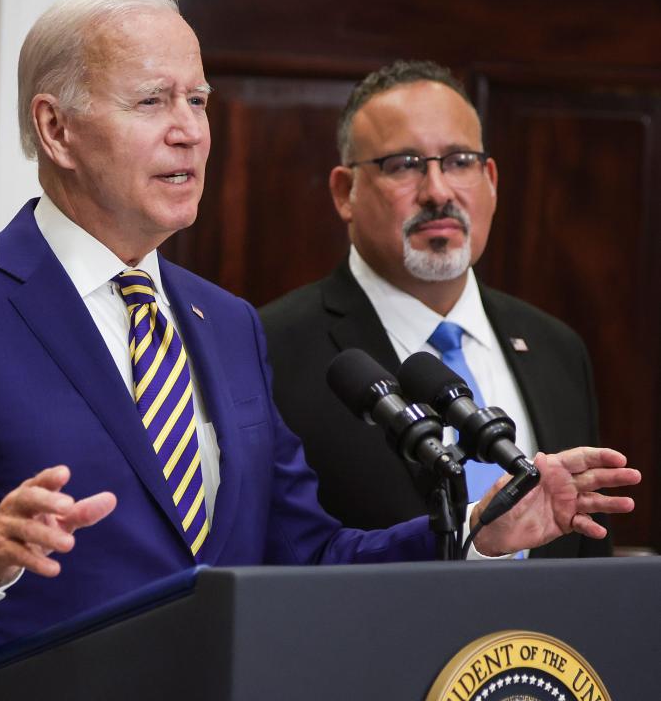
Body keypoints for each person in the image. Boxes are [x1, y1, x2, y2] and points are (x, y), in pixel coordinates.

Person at [0, 0, 637, 701]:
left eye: (199, 103)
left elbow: (304, 552)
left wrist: (473, 533)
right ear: (55, 128)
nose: (191, 134)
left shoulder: (224, 322)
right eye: (153, 102)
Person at [260, 60, 611, 558]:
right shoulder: (273, 349)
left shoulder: (556, 347)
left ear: (490, 180)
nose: (438, 192)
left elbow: (586, 549)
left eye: (459, 161)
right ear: (345, 193)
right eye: (403, 165)